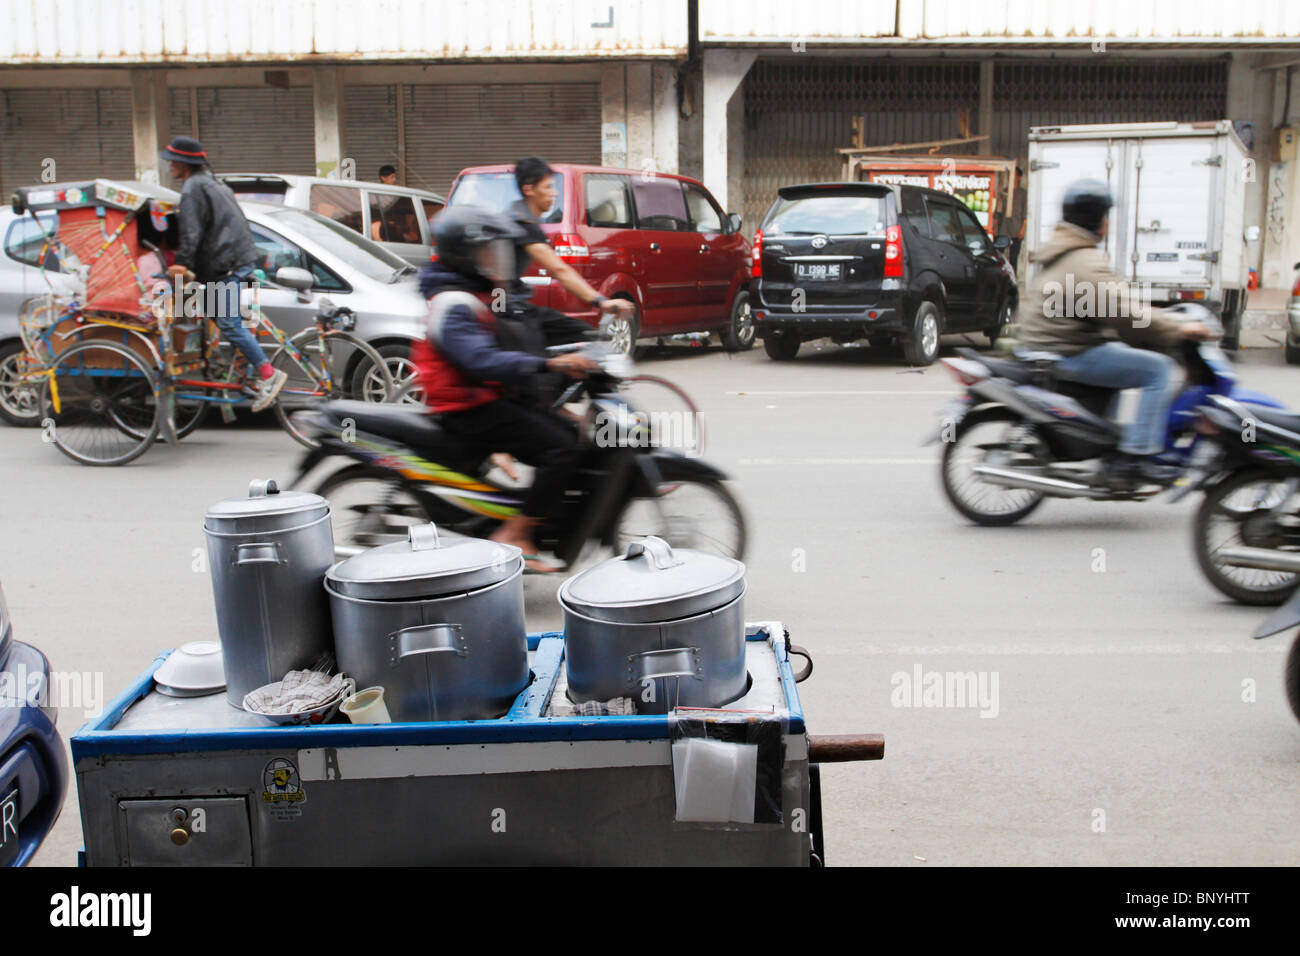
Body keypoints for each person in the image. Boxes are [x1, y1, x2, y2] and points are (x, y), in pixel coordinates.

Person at [413, 205, 605, 572]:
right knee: (561, 448)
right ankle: (514, 534)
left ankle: (541, 519)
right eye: (487, 250)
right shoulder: (453, 303)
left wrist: (573, 349)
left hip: (485, 395)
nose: (495, 258)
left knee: (572, 432)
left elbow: (523, 334)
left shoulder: (479, 292)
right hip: (466, 407)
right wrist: (549, 364)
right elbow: (482, 360)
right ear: (464, 254)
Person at [1017, 179, 1212, 483]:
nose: (1107, 223)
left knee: (1123, 358)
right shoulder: (1084, 260)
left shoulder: (1062, 251)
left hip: (1052, 343)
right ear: (1097, 220)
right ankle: (1135, 456)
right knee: (1158, 370)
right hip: (1067, 351)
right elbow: (1124, 314)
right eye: (1105, 216)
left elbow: (1111, 305)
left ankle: (1106, 444)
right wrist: (1178, 329)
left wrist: (1153, 315)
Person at [163, 136, 287, 412]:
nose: (169, 165)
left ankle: (269, 374)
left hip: (226, 263)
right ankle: (226, 363)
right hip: (234, 258)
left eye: (173, 160)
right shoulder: (212, 183)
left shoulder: (193, 189)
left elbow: (191, 233)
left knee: (229, 323)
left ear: (185, 163)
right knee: (211, 313)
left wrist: (182, 263)